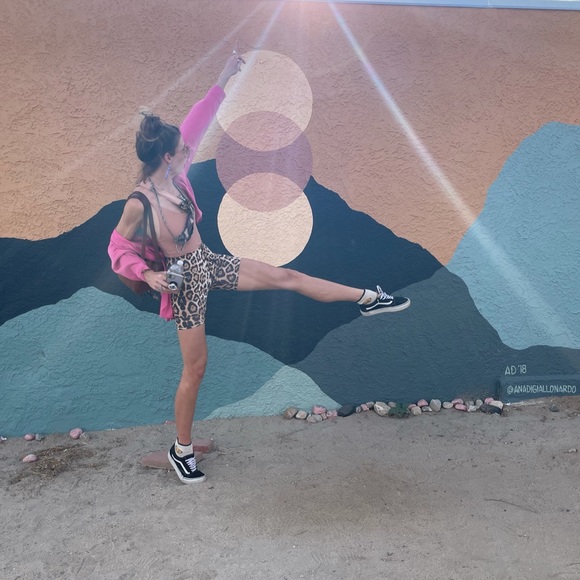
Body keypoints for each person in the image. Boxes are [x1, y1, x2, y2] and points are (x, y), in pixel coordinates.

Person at [108, 49, 410, 485]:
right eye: (182, 150)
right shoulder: (140, 203)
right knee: (195, 369)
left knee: (288, 277)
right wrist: (150, 275)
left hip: (208, 262)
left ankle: (368, 298)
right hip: (184, 284)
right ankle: (181, 451)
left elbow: (198, 119)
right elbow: (118, 248)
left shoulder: (177, 174)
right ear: (167, 157)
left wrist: (224, 77)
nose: (189, 150)